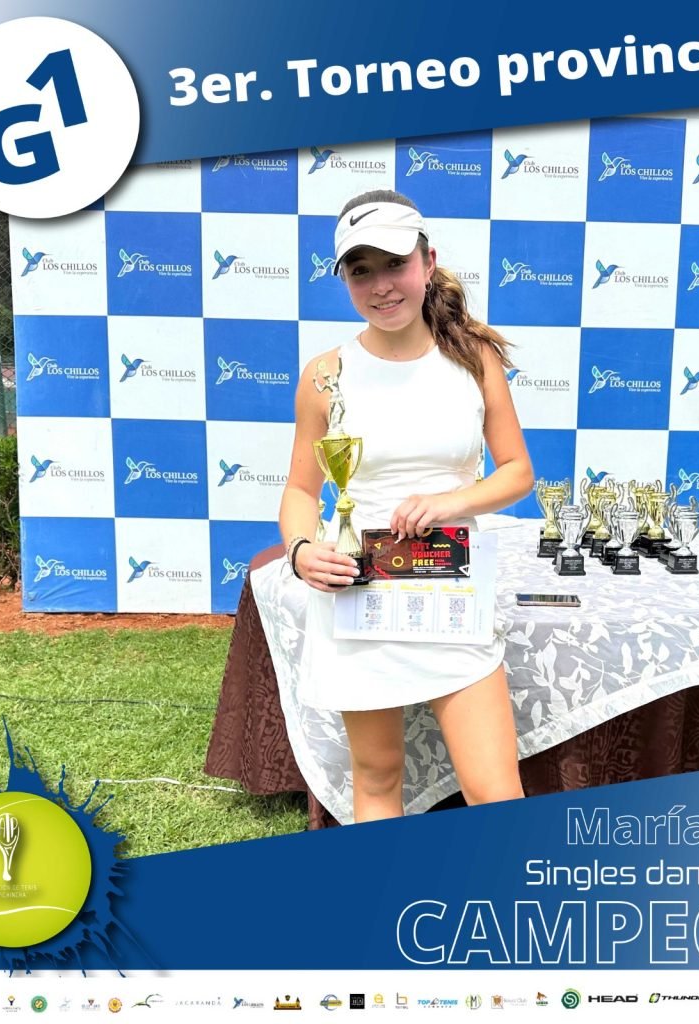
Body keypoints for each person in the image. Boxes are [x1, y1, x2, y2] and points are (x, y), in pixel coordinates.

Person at [278, 189, 534, 823]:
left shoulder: (474, 359)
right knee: (377, 776)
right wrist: (302, 551)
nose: (381, 285)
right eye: (360, 270)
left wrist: (449, 502)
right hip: (359, 596)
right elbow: (302, 491)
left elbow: (518, 473)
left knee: (494, 791)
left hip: (452, 594)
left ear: (428, 262)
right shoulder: (325, 375)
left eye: (395, 263)